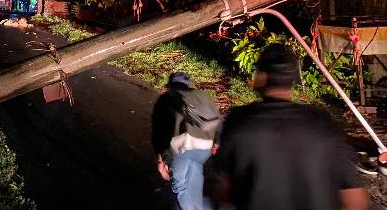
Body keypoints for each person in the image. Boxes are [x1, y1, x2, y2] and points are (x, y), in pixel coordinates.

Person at [212, 44, 368, 210]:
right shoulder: (321, 122)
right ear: (293, 80)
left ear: (262, 77)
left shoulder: (239, 120)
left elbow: (221, 190)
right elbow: (354, 198)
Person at [151, 72, 220, 210]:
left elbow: (159, 131)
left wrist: (161, 158)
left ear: (170, 85)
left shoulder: (166, 99)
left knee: (180, 187)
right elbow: (218, 120)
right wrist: (215, 143)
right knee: (193, 181)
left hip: (182, 147)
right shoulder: (202, 96)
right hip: (204, 147)